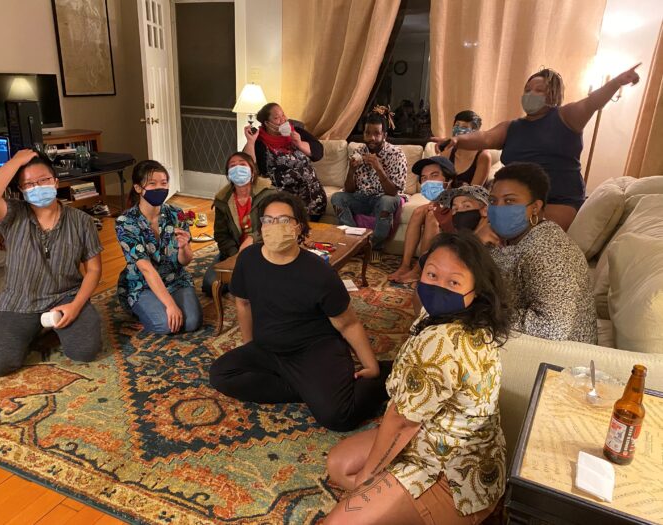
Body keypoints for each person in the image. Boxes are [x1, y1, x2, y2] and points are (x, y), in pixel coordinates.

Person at [325, 232, 512, 525]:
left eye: (453, 282)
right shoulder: (460, 318)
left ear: (477, 289)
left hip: (451, 471)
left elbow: (402, 421)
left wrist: (369, 478)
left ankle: (439, 511)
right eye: (432, 274)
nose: (438, 286)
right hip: (437, 440)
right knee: (338, 465)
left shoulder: (443, 341)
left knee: (340, 518)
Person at [209, 192, 389, 432]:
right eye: (268, 220)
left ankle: (388, 373)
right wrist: (250, 348)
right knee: (221, 374)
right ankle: (310, 390)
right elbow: (243, 303)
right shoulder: (248, 259)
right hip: (270, 349)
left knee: (338, 417)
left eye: (284, 220)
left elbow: (348, 324)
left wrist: (372, 366)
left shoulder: (318, 273)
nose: (275, 227)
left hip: (313, 350)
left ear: (298, 227)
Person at [431, 65, 641, 230]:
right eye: (527, 90)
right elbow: (485, 137)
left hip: (557, 201)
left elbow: (591, 102)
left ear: (553, 95)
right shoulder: (512, 127)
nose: (531, 94)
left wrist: (616, 83)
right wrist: (457, 141)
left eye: (539, 90)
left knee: (531, 237)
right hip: (513, 201)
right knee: (474, 228)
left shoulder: (566, 117)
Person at [0, 150, 103, 377]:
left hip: (66, 296)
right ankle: (38, 329)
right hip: (20, 299)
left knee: (85, 352)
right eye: (29, 184)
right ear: (22, 191)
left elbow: (93, 269)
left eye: (43, 180)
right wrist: (16, 161)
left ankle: (48, 326)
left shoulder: (81, 221)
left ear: (55, 181)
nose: (38, 187)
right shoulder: (12, 214)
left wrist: (75, 306)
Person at [477, 162, 597, 343]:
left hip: (559, 356)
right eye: (493, 201)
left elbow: (553, 326)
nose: (499, 208)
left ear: (535, 207)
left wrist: (481, 312)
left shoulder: (549, 251)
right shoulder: (515, 236)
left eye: (510, 201)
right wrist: (475, 244)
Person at [115, 160, 203, 334]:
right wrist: (170, 305)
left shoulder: (176, 214)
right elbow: (146, 269)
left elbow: (185, 261)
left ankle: (157, 311)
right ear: (138, 188)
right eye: (152, 184)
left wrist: (184, 247)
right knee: (166, 325)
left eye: (164, 183)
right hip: (143, 284)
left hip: (175, 279)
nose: (160, 188)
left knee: (192, 322)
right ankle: (143, 312)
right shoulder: (125, 223)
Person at [331, 109, 408, 258]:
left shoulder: (396, 154)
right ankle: (355, 242)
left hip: (384, 198)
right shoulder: (359, 151)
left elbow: (392, 193)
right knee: (337, 198)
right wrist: (352, 171)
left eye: (376, 133)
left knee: (387, 201)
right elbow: (349, 190)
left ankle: (374, 246)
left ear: (384, 135)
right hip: (362, 198)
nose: (371, 138)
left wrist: (379, 169)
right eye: (367, 133)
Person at [202, 152, 277, 296]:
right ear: (228, 174)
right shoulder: (222, 200)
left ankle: (246, 281)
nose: (238, 168)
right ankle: (244, 280)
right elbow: (221, 234)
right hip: (234, 252)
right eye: (232, 166)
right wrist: (235, 256)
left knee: (261, 282)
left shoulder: (269, 194)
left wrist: (253, 238)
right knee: (209, 284)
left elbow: (274, 225)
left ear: (252, 170)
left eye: (242, 164)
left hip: (264, 248)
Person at [243, 102, 327, 220]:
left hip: (312, 196)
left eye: (283, 115)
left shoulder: (297, 132)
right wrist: (250, 142)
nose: (283, 120)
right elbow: (247, 164)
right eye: (277, 118)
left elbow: (318, 152)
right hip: (283, 198)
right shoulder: (259, 141)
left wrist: (299, 144)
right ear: (267, 123)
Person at [388, 156, 457, 283]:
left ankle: (419, 270)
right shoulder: (441, 197)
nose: (428, 181)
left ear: (449, 179)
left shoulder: (459, 196)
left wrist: (436, 210)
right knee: (418, 211)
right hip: (441, 207)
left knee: (432, 215)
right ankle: (405, 265)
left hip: (457, 229)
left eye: (434, 175)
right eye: (424, 178)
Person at [439, 110, 492, 186]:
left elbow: (474, 191)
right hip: (448, 196)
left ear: (475, 132)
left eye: (464, 127)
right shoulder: (446, 153)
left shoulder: (483, 156)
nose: (458, 129)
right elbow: (440, 185)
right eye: (457, 125)